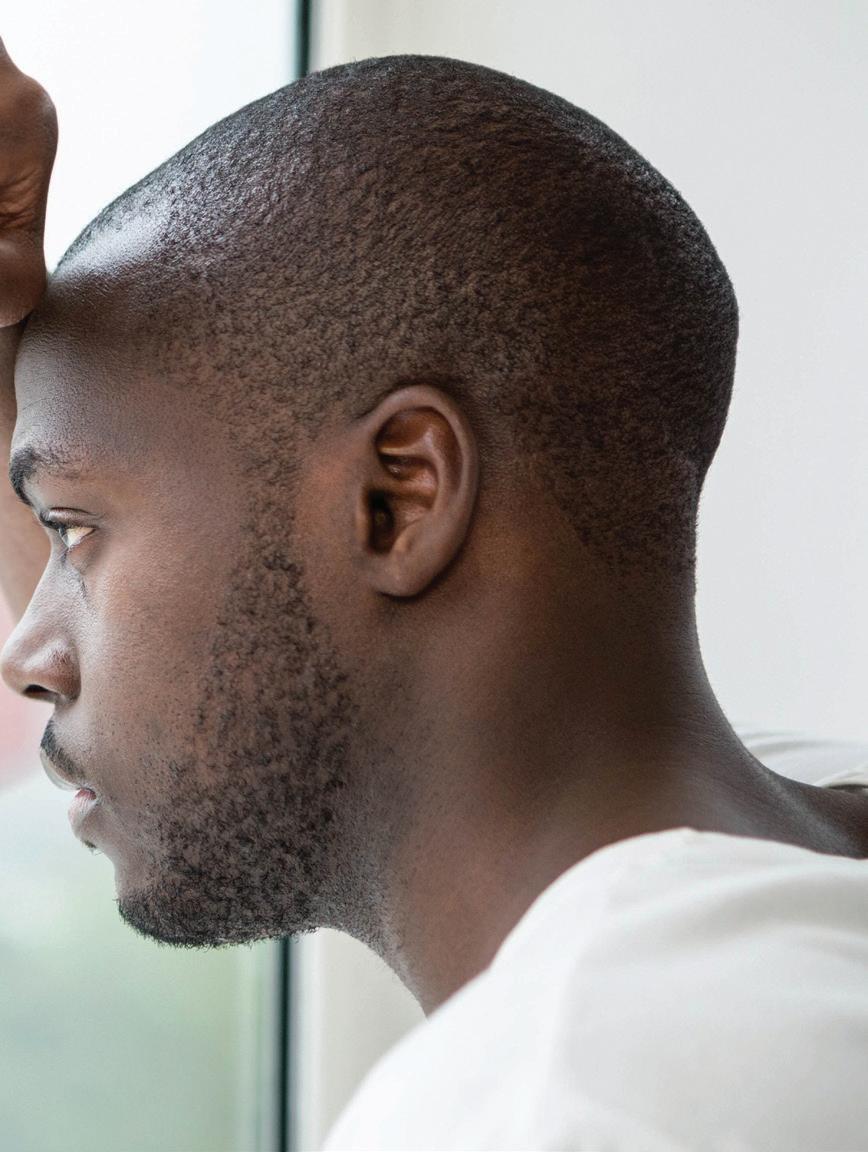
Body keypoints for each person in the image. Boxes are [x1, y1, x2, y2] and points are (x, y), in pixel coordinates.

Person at [0, 41, 866, 1151]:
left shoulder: (580, 1100)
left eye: (75, 531)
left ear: (397, 499)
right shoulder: (789, 857)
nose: (26, 656)